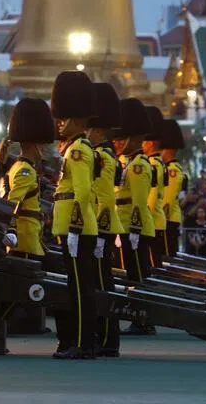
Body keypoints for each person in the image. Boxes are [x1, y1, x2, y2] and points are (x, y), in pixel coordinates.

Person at [49, 70, 100, 360]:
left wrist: (75, 228)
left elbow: (82, 193)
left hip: (76, 229)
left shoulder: (79, 150)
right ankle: (78, 341)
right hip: (71, 228)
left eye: (64, 118)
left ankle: (84, 343)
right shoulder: (73, 149)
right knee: (74, 287)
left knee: (81, 289)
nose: (59, 123)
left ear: (76, 119)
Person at [0, 97, 54, 336]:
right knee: (24, 284)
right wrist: (11, 230)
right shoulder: (24, 170)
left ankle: (27, 322)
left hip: (30, 234)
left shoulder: (24, 167)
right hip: (24, 236)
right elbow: (12, 204)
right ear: (37, 144)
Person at [88, 82, 123, 358]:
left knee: (102, 283)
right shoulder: (106, 154)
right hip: (103, 223)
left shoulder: (101, 156)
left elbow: (100, 197)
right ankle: (107, 337)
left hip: (101, 224)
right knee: (102, 281)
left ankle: (109, 339)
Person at [115, 99, 156, 336]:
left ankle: (143, 321)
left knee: (138, 276)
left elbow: (140, 202)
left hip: (134, 227)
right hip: (127, 226)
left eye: (122, 138)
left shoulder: (139, 165)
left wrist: (135, 230)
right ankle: (139, 318)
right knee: (132, 275)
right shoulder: (130, 163)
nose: (118, 142)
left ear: (133, 138)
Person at [144, 106, 168, 269]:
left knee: (153, 267)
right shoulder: (158, 163)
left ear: (150, 143)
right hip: (156, 221)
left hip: (152, 222)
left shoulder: (153, 164)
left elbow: (151, 200)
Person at [160, 119, 187, 259]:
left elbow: (167, 201)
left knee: (166, 259)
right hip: (167, 220)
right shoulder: (168, 168)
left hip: (167, 221)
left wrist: (160, 222)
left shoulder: (172, 170)